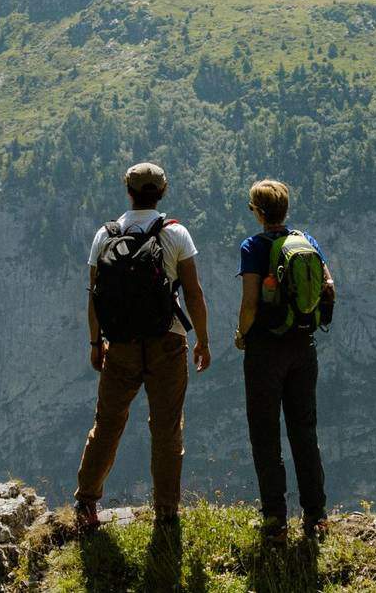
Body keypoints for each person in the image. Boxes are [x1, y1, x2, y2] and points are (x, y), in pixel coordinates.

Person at [74, 162, 212, 533]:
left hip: (120, 344)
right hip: (168, 342)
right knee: (166, 428)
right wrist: (202, 339)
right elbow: (194, 293)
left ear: (128, 191)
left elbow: (95, 296)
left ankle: (86, 501)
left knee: (108, 423)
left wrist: (95, 342)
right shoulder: (176, 233)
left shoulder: (105, 236)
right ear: (162, 192)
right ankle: (166, 511)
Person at [235, 178, 336, 544]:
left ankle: (275, 519)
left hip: (266, 350)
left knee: (266, 436)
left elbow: (249, 303)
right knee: (304, 431)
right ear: (286, 209)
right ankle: (316, 515)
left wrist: (242, 334)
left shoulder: (253, 246)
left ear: (258, 212)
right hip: (303, 347)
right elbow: (329, 286)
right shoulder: (306, 242)